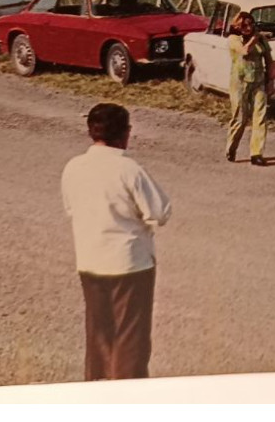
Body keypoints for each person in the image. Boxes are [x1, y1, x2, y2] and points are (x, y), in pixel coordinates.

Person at [60, 103, 172, 381]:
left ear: (90, 132)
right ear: (126, 132)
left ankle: (97, 391)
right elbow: (159, 211)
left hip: (89, 260)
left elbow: (71, 209)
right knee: (129, 337)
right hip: (129, 264)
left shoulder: (73, 167)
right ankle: (127, 399)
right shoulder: (129, 169)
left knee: (99, 334)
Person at [224, 12, 272, 165]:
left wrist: (271, 80)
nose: (248, 28)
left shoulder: (261, 40)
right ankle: (231, 147)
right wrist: (255, 38)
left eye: (251, 24)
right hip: (240, 82)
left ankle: (256, 153)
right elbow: (245, 51)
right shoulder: (233, 40)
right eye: (244, 25)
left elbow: (269, 60)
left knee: (260, 116)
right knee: (240, 118)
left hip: (258, 81)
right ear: (237, 26)